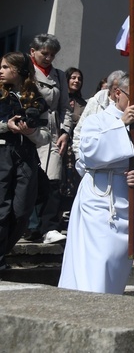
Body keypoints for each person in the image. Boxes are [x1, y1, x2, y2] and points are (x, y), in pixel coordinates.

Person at [57, 75, 134, 294]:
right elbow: (89, 154)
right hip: (99, 197)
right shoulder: (97, 121)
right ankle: (88, 301)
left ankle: (110, 301)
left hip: (131, 201)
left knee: (116, 263)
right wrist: (120, 125)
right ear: (117, 93)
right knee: (97, 260)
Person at [0, 53, 50, 270]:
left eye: (5, 67)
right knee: (1, 209)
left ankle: (3, 250)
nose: (0, 71)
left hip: (27, 156)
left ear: (19, 71)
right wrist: (5, 127)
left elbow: (47, 134)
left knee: (22, 210)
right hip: (2, 153)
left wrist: (31, 132)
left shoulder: (37, 100)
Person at [28, 34, 75, 245]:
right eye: (44, 53)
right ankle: (30, 226)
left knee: (53, 179)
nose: (48, 58)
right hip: (29, 130)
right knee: (29, 179)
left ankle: (49, 227)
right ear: (33, 52)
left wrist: (65, 131)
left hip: (53, 131)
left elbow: (65, 106)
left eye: (52, 55)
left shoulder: (58, 75)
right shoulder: (24, 72)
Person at [72, 70, 125, 156]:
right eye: (116, 89)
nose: (118, 93)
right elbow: (79, 130)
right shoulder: (96, 102)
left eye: (122, 89)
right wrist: (78, 156)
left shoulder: (126, 105)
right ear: (110, 88)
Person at [60, 68, 86, 198]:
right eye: (73, 78)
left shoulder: (83, 104)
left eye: (79, 79)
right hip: (58, 142)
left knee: (72, 178)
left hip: (74, 145)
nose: (76, 81)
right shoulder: (59, 98)